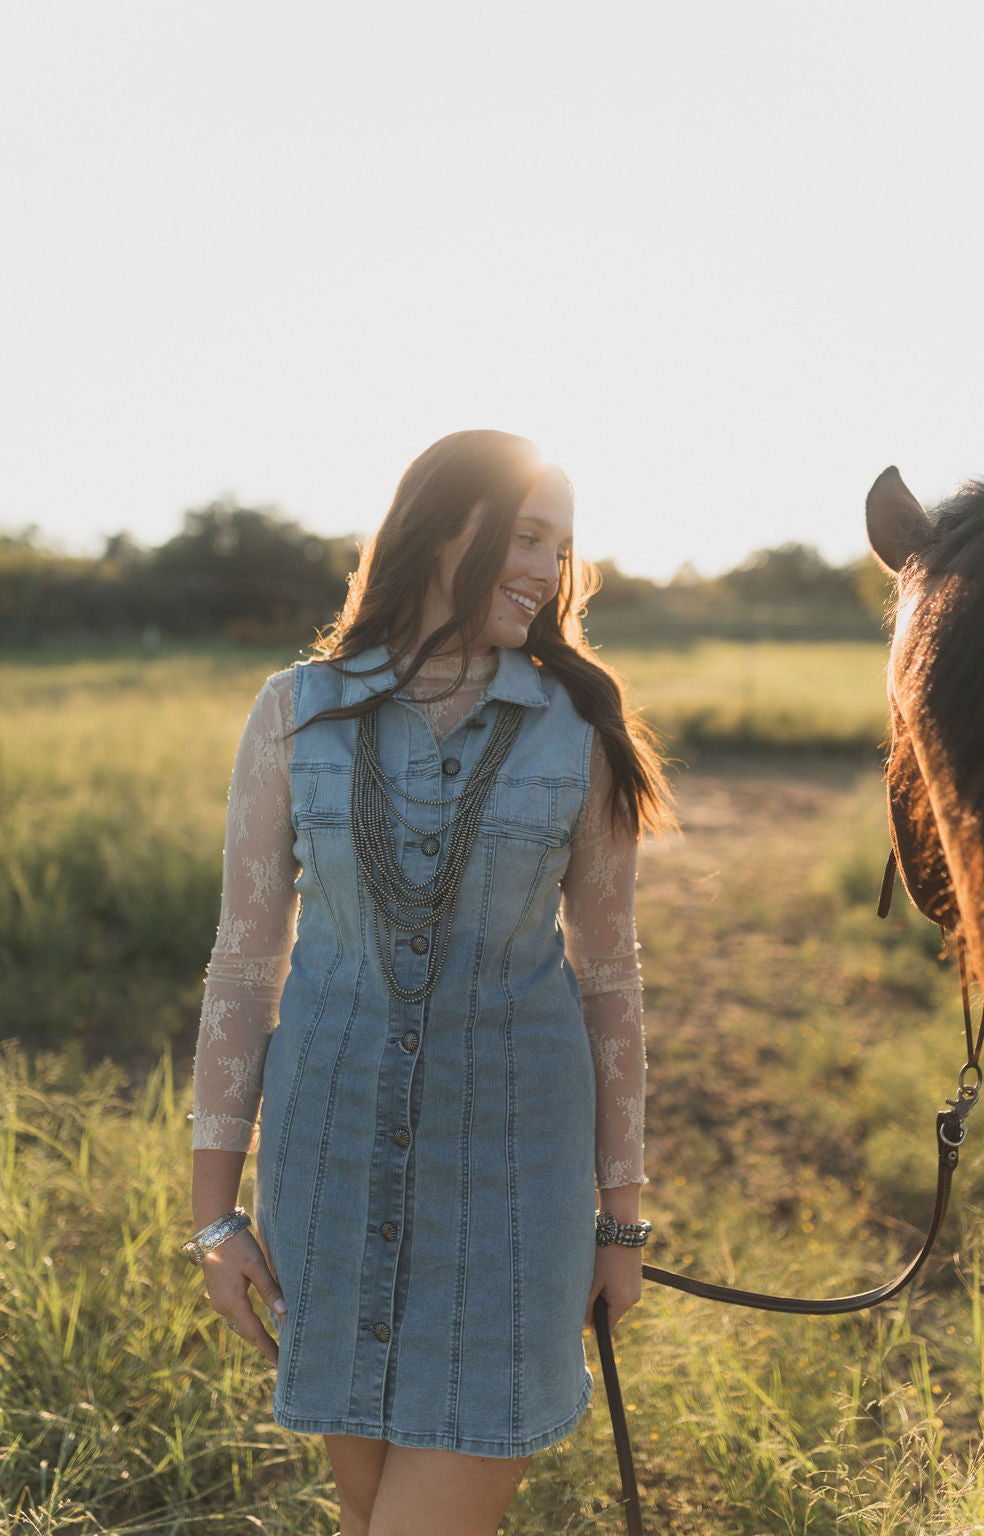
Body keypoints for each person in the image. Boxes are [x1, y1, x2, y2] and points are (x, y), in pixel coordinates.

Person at [187, 429, 672, 1536]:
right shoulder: (291, 712)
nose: (550, 571)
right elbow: (244, 966)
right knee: (364, 1515)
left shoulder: (578, 730)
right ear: (443, 528)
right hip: (325, 1171)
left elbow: (610, 981)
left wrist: (621, 1220)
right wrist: (214, 1219)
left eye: (563, 546)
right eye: (529, 535)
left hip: (514, 1182)